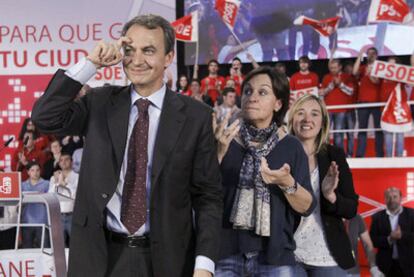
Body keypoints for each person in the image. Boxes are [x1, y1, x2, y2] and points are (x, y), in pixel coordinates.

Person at [31, 14, 222, 277]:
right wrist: (90, 64)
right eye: (130, 50)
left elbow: (208, 197)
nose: (137, 60)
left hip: (168, 260)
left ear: (168, 58)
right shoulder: (99, 102)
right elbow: (45, 116)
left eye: (149, 50)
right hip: (99, 258)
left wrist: (204, 265)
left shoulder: (196, 116)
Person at [214, 66, 316, 276]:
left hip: (274, 257)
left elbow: (306, 206)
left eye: (262, 92)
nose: (252, 97)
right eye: (248, 91)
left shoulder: (291, 146)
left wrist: (286, 182)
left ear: (278, 104)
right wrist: (218, 156)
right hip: (225, 254)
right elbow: (200, 194)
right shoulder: (223, 141)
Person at [288, 94, 359, 276]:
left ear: (323, 122)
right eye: (300, 113)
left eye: (314, 114)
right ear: (292, 119)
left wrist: (330, 196)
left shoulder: (335, 155)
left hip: (328, 257)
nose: (307, 119)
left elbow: (351, 209)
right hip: (288, 257)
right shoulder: (281, 155)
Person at [370, 187, 414, 277]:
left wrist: (402, 235)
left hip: (409, 266)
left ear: (400, 198)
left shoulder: (412, 215)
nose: (392, 200)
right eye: (388, 197)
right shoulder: (377, 217)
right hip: (385, 267)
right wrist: (389, 239)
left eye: (395, 196)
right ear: (385, 199)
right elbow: (372, 240)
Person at [353, 47, 383, 157]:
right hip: (363, 102)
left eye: (373, 53)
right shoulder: (363, 67)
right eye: (368, 53)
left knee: (378, 129)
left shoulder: (381, 68)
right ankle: (360, 154)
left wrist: (371, 73)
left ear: (376, 55)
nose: (370, 55)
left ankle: (379, 154)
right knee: (362, 129)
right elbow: (354, 71)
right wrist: (359, 56)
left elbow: (377, 82)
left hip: (376, 102)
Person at [319, 59, 354, 153]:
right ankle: (327, 154)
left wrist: (340, 84)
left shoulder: (346, 76)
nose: (333, 69)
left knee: (338, 133)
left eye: (334, 67)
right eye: (331, 68)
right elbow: (321, 93)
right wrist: (330, 87)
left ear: (340, 67)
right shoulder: (326, 77)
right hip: (329, 109)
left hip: (341, 109)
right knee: (326, 133)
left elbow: (350, 92)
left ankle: (339, 154)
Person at [48, 153, 79, 248]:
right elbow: (50, 196)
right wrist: (57, 183)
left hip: (73, 215)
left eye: (66, 159)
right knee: (59, 246)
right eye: (61, 160)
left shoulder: (77, 176)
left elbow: (75, 196)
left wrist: (64, 184)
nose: (64, 162)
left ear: (71, 162)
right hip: (58, 216)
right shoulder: (54, 177)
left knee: (76, 244)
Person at [21, 162, 50, 248]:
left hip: (42, 222)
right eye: (32, 170)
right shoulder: (22, 185)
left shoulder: (47, 184)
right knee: (27, 248)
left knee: (45, 248)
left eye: (37, 170)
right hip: (26, 221)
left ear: (40, 171)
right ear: (28, 172)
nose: (35, 173)